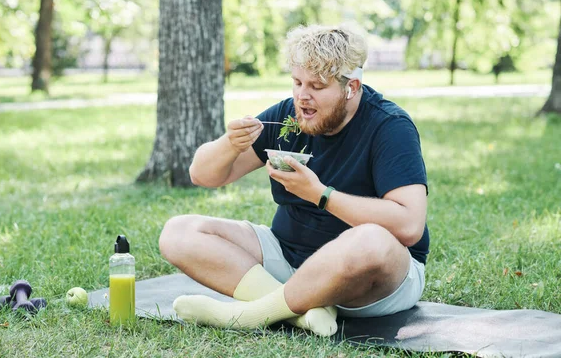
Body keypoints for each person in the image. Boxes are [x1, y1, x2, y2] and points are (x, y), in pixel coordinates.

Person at [159, 22, 430, 337]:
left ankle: (251, 314)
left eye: (316, 86)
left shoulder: (390, 127)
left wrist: (320, 194)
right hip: (288, 256)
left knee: (372, 240)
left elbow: (410, 225)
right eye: (297, 82)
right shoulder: (290, 116)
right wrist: (229, 145)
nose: (303, 96)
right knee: (178, 231)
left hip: (367, 280)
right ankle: (302, 312)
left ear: (352, 87)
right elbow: (202, 175)